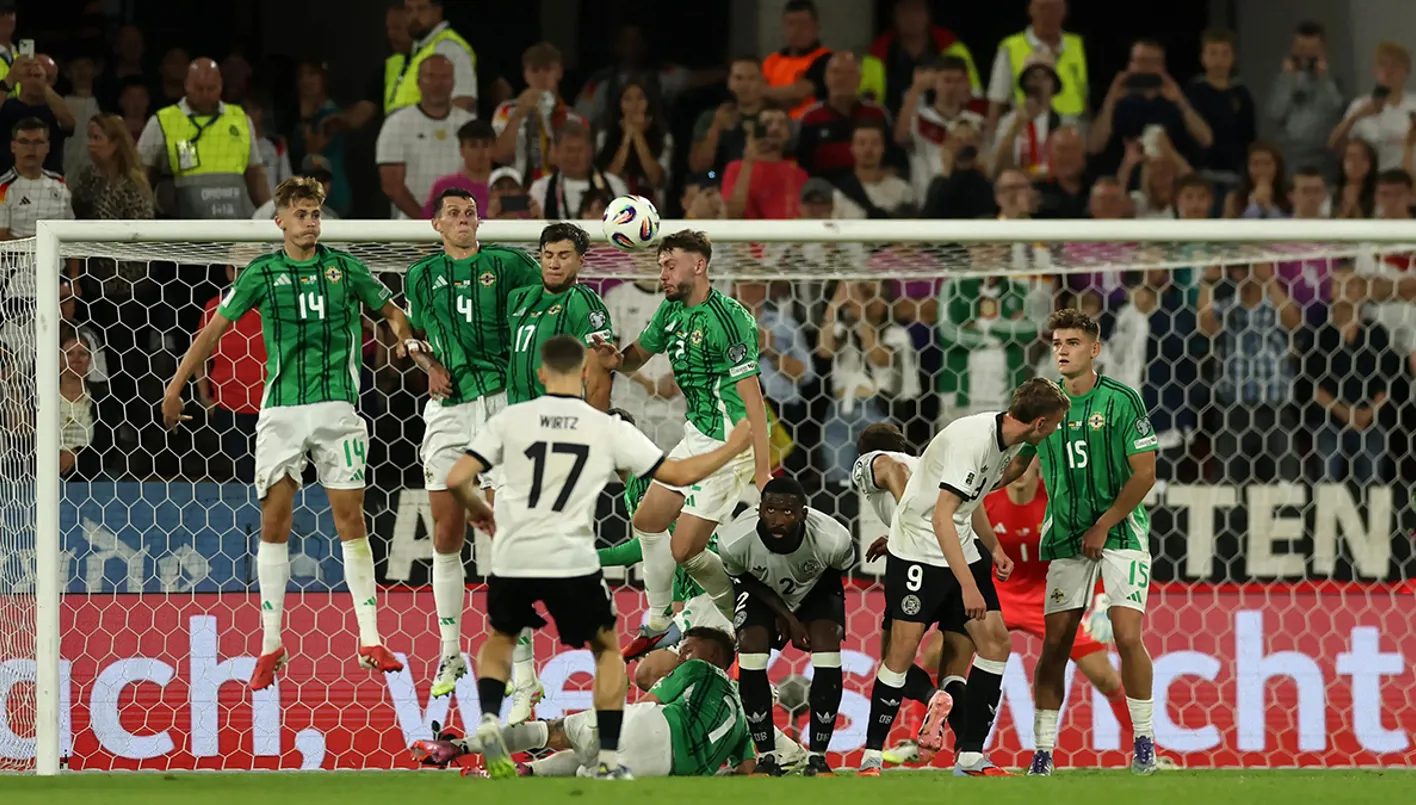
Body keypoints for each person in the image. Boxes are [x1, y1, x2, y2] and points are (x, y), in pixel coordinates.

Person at [439, 335, 755, 779]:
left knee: (508, 638)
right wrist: (732, 446)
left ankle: (497, 721)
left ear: (540, 375)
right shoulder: (618, 446)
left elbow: (458, 478)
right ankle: (614, 744)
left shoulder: (515, 419)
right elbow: (678, 480)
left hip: (526, 554)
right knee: (615, 659)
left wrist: (482, 513)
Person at [161, 176, 434, 690]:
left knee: (350, 518)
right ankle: (271, 644)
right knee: (275, 522)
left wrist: (404, 338)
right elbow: (212, 332)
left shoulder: (346, 268)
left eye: (315, 214)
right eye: (301, 214)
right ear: (280, 221)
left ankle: (371, 639)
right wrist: (176, 387)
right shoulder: (262, 273)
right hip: (281, 412)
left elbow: (392, 311)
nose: (310, 222)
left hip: (338, 410)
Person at [858, 379, 1068, 777]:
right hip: (919, 547)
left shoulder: (1007, 442)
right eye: (1055, 424)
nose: (1056, 430)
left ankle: (970, 755)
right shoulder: (974, 441)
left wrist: (995, 549)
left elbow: (973, 500)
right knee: (901, 651)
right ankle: (871, 756)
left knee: (996, 643)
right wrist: (969, 585)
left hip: (961, 544)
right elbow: (941, 517)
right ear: (1040, 422)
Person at [590, 231, 772, 661]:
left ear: (699, 265)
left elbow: (754, 401)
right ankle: (658, 620)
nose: (663, 274)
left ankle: (747, 615)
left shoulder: (730, 319)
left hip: (732, 440)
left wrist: (763, 473)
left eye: (670, 265)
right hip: (697, 434)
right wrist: (614, 359)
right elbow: (635, 357)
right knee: (647, 520)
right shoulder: (671, 310)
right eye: (661, 266)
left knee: (684, 549)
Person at [1007, 308, 1159, 776]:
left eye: (1072, 343)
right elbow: (1017, 462)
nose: (1062, 351)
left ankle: (1145, 743)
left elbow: (1145, 474)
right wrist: (969, 489)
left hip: (1121, 531)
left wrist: (1105, 523)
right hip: (1066, 537)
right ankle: (1043, 751)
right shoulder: (1043, 404)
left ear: (1094, 349)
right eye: (1057, 343)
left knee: (1126, 636)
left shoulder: (1121, 400)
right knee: (1056, 644)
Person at [403, 187, 542, 700]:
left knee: (507, 539)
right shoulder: (419, 276)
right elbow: (415, 337)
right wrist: (427, 364)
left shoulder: (509, 265)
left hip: (502, 402)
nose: (463, 219)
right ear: (437, 225)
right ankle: (449, 652)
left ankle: (525, 675)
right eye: (453, 214)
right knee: (446, 532)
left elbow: (544, 309)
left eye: (470, 213)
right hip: (449, 411)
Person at [412, 627, 755, 777]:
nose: (680, 657)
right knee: (587, 763)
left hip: (650, 726)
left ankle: (458, 747)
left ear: (712, 655)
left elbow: (648, 704)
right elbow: (747, 769)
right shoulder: (741, 716)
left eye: (687, 649)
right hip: (663, 770)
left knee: (555, 731)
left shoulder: (698, 669)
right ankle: (528, 771)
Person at [716, 475, 853, 777]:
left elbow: (833, 577)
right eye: (770, 510)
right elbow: (744, 580)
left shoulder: (833, 538)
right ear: (759, 510)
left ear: (803, 513)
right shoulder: (734, 541)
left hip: (816, 589)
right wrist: (786, 615)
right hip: (762, 592)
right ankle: (767, 756)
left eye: (788, 512)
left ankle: (817, 758)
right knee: (751, 647)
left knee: (828, 645)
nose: (777, 520)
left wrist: (800, 614)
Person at [137, 57, 268, 219]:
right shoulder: (162, 121)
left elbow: (255, 175)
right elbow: (141, 177)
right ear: (186, 85)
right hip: (181, 226)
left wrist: (271, 215)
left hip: (233, 225)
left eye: (211, 88)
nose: (205, 95)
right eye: (199, 88)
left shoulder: (240, 119)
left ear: (221, 86)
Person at [506, 222, 615, 409]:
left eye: (563, 256)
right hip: (518, 414)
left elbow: (598, 381)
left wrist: (593, 425)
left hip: (560, 417)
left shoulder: (582, 301)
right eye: (548, 255)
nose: (554, 264)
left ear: (580, 261)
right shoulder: (518, 298)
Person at [376, 55, 475, 219]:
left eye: (444, 77)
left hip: (461, 224)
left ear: (453, 82)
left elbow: (481, 175)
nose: (438, 83)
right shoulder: (397, 123)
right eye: (431, 76)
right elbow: (392, 185)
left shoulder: (469, 124)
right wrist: (427, 222)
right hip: (411, 227)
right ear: (418, 81)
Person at [1267, 20, 1344, 177]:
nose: (1306, 56)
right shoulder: (1284, 79)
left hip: (1324, 155)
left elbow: (1336, 110)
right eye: (1301, 49)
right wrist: (1288, 79)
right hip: (1291, 154)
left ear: (1322, 50)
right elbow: (1275, 113)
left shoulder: (1333, 80)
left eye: (1312, 50)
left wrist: (1323, 79)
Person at [1329, 41, 1416, 171]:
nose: (1389, 71)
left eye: (1396, 66)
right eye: (1383, 65)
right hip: (1373, 178)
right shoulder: (1360, 105)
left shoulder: (1414, 104)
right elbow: (1334, 145)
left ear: (1407, 71)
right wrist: (1355, 117)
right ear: (1374, 70)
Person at [386, 0, 477, 114]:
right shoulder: (420, 49)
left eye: (421, 9)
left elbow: (463, 102)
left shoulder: (449, 47)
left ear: (437, 11)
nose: (414, 16)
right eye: (409, 10)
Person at [0, 53, 76, 175]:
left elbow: (69, 124)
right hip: (7, 180)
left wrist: (43, 85)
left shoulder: (56, 109)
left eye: (45, 77)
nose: (34, 80)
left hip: (48, 182)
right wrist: (10, 78)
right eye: (29, 75)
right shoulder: (7, 106)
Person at [0, 117, 73, 241]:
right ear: (13, 147)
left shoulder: (59, 183)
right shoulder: (3, 188)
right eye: (24, 142)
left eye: (38, 142)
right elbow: (1, 238)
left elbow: (71, 230)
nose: (31, 148)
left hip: (59, 253)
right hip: (22, 254)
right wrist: (43, 244)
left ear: (47, 147)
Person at [421, 119, 495, 218]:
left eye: (485, 145)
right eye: (473, 145)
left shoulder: (505, 186)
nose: (480, 152)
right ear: (461, 150)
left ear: (494, 148)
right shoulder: (444, 187)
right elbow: (427, 222)